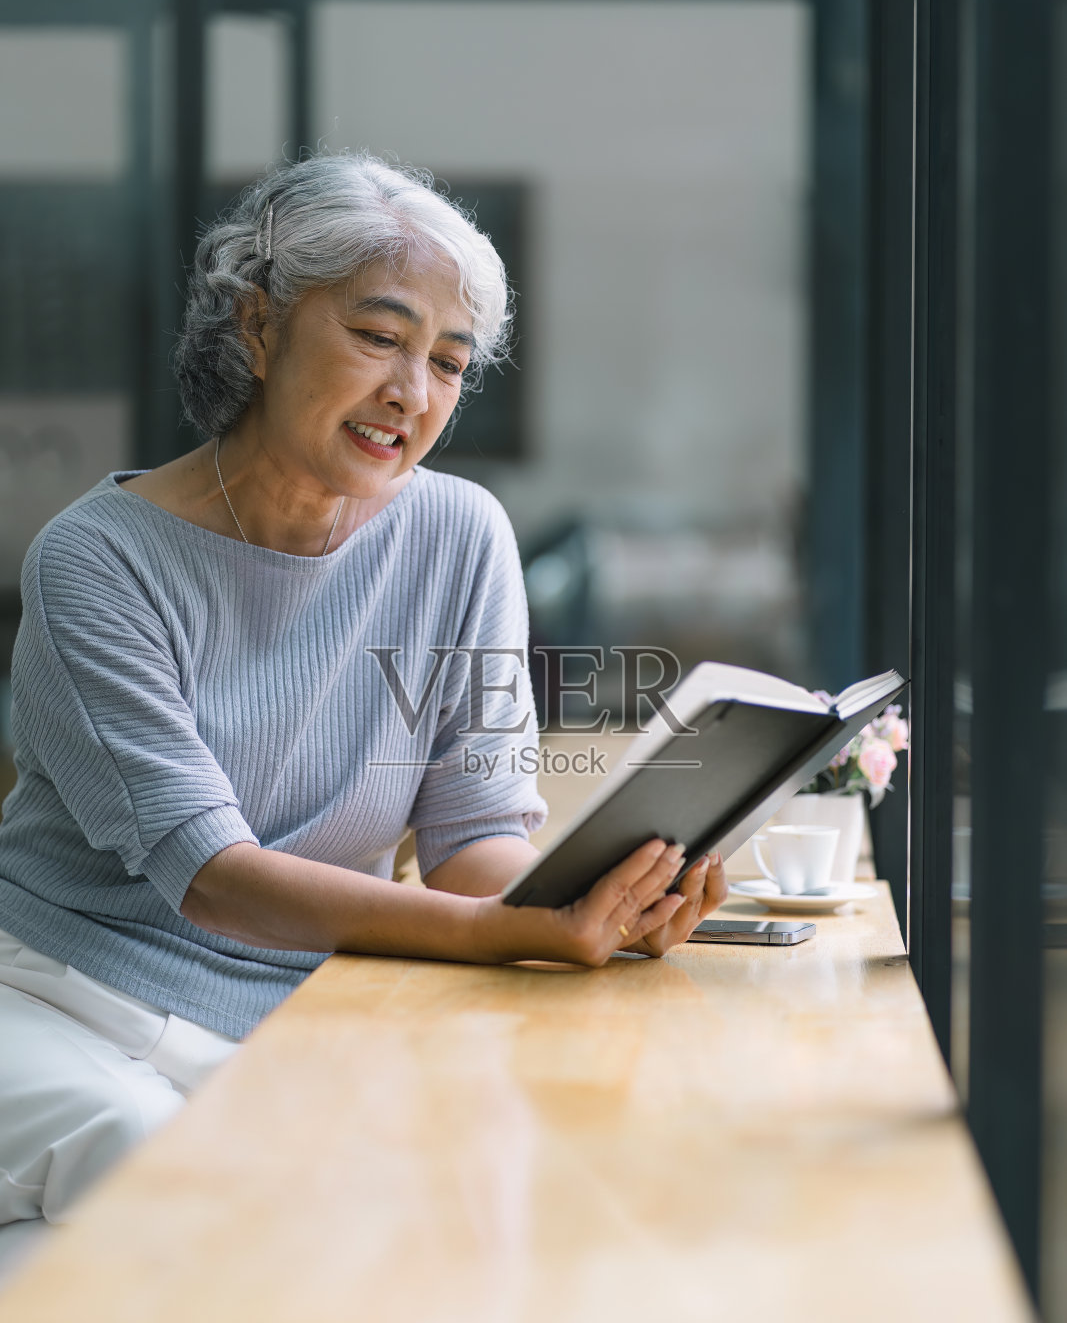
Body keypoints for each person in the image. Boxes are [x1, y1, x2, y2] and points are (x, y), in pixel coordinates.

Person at [0, 153, 726, 1255]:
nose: (412, 392)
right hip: (59, 996)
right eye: (378, 337)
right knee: (149, 1172)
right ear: (257, 327)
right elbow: (212, 877)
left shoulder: (461, 536)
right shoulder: (95, 561)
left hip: (301, 1013)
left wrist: (600, 905)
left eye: (448, 361)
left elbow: (475, 837)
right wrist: (504, 934)